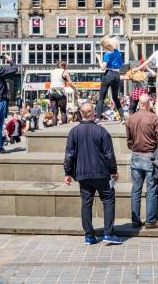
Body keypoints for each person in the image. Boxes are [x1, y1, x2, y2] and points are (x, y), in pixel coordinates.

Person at [64, 102, 122, 245]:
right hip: (101, 172)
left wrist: (68, 173)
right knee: (108, 199)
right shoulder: (102, 131)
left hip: (82, 174)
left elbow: (69, 155)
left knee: (86, 202)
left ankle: (89, 236)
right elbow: (109, 154)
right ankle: (108, 233)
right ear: (94, 113)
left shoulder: (74, 132)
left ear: (81, 114)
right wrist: (113, 170)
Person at [125, 94, 158, 229]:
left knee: (136, 189)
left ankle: (135, 220)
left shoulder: (130, 118)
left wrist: (134, 147)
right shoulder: (153, 118)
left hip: (136, 156)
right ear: (148, 103)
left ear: (139, 104)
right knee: (152, 190)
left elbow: (129, 140)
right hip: (150, 157)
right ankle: (150, 221)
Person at [95, 36, 125, 123]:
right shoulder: (117, 52)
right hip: (117, 75)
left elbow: (102, 67)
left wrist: (99, 58)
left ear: (106, 47)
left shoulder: (107, 54)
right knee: (115, 97)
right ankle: (122, 117)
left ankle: (98, 118)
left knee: (101, 98)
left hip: (108, 74)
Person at [49, 61, 74, 126]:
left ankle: (53, 128)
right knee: (63, 111)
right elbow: (70, 83)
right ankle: (64, 127)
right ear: (64, 66)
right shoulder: (65, 72)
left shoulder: (53, 71)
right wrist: (75, 90)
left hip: (51, 91)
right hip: (60, 92)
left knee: (54, 113)